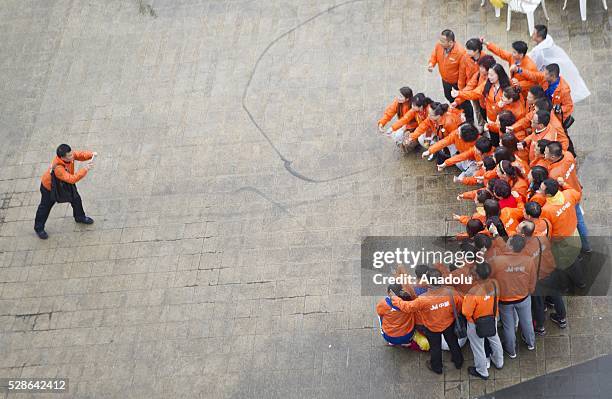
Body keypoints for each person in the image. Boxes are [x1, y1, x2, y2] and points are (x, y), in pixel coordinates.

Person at [392, 268, 464, 374]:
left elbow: (406, 307)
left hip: (432, 327)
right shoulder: (451, 292)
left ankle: (437, 367)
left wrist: (395, 299)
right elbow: (459, 306)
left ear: (429, 283)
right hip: (449, 324)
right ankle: (459, 361)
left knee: (435, 347)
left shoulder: (422, 299)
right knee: (453, 342)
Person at [488, 235, 537, 358]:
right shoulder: (529, 260)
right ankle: (531, 343)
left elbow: (491, 277)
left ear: (510, 246)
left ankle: (511, 350)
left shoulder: (497, 261)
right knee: (527, 322)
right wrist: (530, 290)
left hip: (505, 300)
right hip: (523, 297)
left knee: (508, 326)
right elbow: (532, 280)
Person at [34, 144, 96, 239]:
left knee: (76, 199)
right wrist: (85, 169)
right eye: (70, 156)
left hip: (64, 183)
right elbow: (72, 179)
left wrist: (90, 154)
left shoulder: (68, 156)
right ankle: (39, 228)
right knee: (45, 208)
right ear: (62, 157)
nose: (72, 157)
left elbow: (79, 154)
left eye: (71, 154)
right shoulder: (58, 168)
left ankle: (79, 217)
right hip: (50, 188)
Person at [543, 141, 590, 253]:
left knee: (579, 221)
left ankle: (586, 246)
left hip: (569, 196)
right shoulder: (568, 155)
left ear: (553, 157)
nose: (544, 155)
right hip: (576, 189)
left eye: (546, 153)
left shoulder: (554, 173)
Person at [462, 262, 504, 379]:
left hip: (475, 323)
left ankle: (482, 371)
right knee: (495, 340)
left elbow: (466, 312)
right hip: (492, 317)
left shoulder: (473, 292)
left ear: (478, 276)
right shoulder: (495, 283)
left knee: (478, 348)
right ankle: (499, 362)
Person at [529, 24, 591, 103]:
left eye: (534, 33)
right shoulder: (547, 39)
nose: (532, 34)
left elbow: (536, 65)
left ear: (539, 37)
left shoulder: (539, 52)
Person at [428, 29, 474, 123]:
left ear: (451, 42)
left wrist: (460, 89)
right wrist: (431, 64)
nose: (440, 42)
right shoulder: (439, 46)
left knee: (464, 102)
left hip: (457, 83)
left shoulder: (460, 53)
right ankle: (457, 113)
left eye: (442, 41)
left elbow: (462, 71)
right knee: (448, 96)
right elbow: (434, 55)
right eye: (440, 40)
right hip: (445, 80)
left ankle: (469, 120)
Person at [511, 63, 574, 129]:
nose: (544, 75)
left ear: (552, 76)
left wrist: (559, 109)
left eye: (546, 74)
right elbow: (533, 75)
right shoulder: (545, 78)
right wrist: (519, 70)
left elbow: (569, 106)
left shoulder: (564, 90)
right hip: (543, 106)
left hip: (555, 115)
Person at [459, 38, 488, 129]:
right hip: (472, 87)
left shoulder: (485, 59)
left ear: (476, 51)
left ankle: (488, 123)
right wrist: (461, 89)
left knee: (485, 108)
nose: (466, 51)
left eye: (469, 50)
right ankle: (480, 124)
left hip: (483, 89)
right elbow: (462, 73)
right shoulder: (465, 57)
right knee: (476, 108)